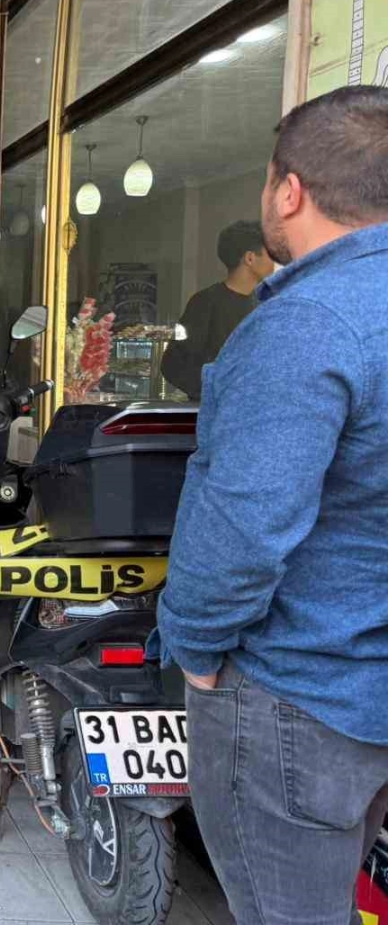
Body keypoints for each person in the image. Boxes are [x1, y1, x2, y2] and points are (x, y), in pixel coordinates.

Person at [156, 86, 388, 925]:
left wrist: (194, 645)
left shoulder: (306, 323)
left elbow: (246, 524)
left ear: (289, 191)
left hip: (299, 695)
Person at [160, 219, 274, 398]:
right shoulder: (204, 303)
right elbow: (172, 365)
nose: (275, 260)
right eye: (270, 254)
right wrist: (215, 390)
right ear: (250, 258)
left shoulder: (266, 304)